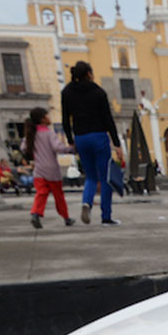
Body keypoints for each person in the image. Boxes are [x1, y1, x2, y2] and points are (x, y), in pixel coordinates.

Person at [61, 60, 124, 226]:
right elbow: (108, 119)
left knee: (90, 176)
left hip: (81, 138)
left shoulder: (67, 92)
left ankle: (86, 202)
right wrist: (117, 144)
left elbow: (65, 119)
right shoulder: (98, 92)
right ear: (89, 74)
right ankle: (106, 216)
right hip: (98, 137)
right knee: (105, 179)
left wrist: (70, 140)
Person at [21, 106, 75, 229]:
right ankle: (66, 218)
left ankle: (35, 213)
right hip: (52, 171)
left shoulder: (30, 135)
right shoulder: (49, 133)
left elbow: (23, 148)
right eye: (47, 115)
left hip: (38, 170)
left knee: (41, 193)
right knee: (58, 196)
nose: (49, 118)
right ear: (42, 119)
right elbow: (58, 148)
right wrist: (72, 149)